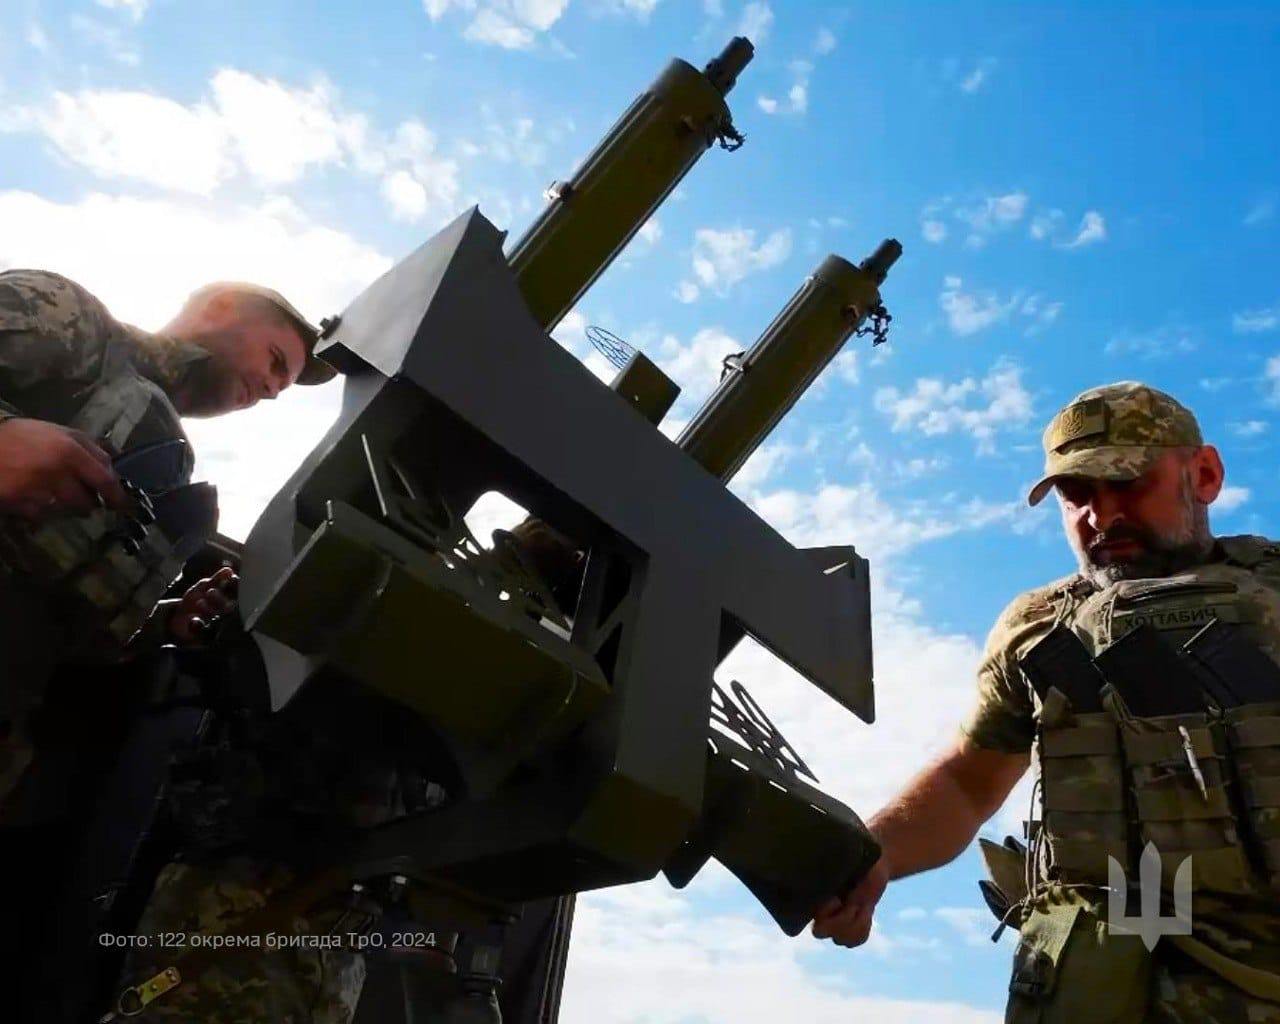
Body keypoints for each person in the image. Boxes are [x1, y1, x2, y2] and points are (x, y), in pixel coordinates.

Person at [813, 381, 1280, 1022]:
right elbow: (968, 781)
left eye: (1127, 483)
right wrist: (875, 854)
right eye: (1076, 494)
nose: (1101, 516)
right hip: (1095, 989)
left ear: (1203, 475)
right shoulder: (1037, 627)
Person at [0, 269, 338, 1020]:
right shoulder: (72, 324)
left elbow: (68, 632)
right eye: (275, 362)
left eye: (282, 387)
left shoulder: (169, 472)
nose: (271, 390)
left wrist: (163, 624)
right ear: (220, 307)